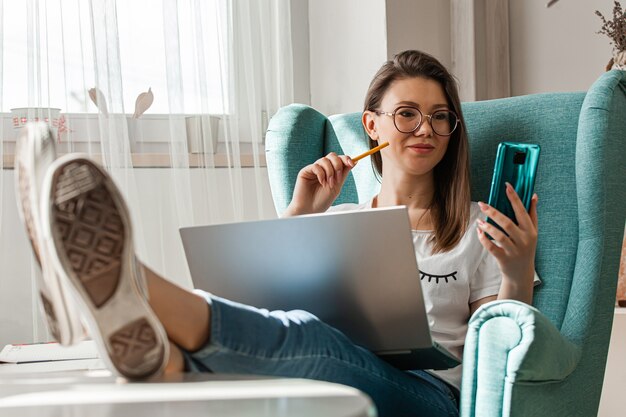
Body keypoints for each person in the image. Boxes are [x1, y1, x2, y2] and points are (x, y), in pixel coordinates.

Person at [17, 50, 538, 417]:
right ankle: (158, 351)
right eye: (406, 114)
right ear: (372, 125)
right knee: (262, 341)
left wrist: (516, 274)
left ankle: (130, 284)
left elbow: (498, 349)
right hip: (320, 366)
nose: (425, 129)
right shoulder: (338, 220)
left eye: (439, 117)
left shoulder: (480, 224)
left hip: (428, 396)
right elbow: (254, 309)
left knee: (308, 336)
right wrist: (299, 213)